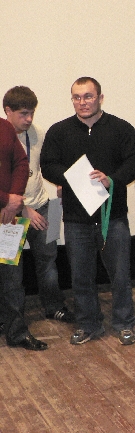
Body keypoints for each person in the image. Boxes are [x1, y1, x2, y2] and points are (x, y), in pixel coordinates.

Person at [40, 77, 135, 345]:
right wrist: (72, 177)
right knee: (81, 277)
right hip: (76, 219)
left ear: (100, 98)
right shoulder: (59, 131)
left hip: (113, 217)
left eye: (88, 96)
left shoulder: (120, 128)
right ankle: (88, 325)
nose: (82, 102)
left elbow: (134, 162)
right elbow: (48, 165)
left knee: (120, 275)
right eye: (77, 97)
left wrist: (112, 179)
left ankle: (124, 323)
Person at [3, 86, 75, 324]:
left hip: (45, 205)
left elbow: (48, 164)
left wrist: (61, 183)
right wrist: (24, 210)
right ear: (8, 111)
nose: (29, 119)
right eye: (23, 114)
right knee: (11, 270)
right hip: (11, 213)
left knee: (49, 261)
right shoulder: (3, 139)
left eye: (32, 112)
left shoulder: (39, 133)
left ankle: (54, 306)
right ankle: (14, 320)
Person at [0, 117, 48, 350]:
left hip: (8, 217)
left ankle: (17, 332)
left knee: (12, 277)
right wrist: (5, 199)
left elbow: (21, 163)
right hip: (6, 206)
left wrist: (14, 200)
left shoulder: (4, 127)